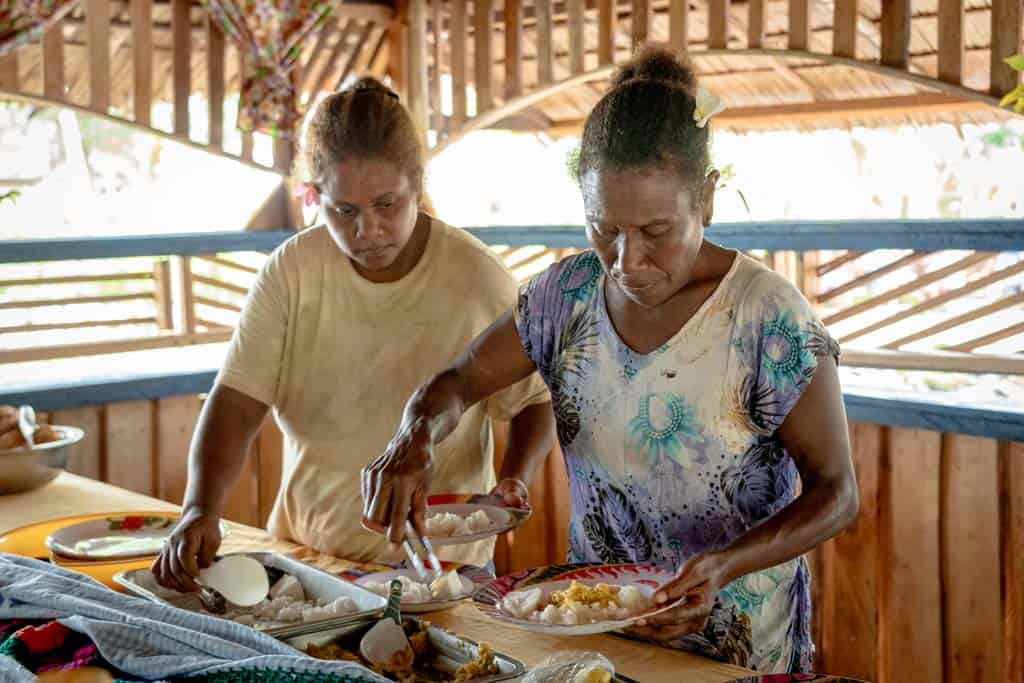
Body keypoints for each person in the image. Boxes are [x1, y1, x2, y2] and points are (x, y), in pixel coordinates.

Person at [361, 49, 859, 673]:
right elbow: (461, 379)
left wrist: (721, 566)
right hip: (596, 635)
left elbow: (837, 494)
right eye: (604, 228)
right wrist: (415, 434)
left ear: (706, 198)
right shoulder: (564, 299)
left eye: (656, 231)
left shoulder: (766, 318)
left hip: (736, 646)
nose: (627, 261)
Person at [153, 77, 554, 592]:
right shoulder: (292, 271)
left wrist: (514, 479)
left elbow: (533, 400)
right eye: (345, 211)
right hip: (310, 559)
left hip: (446, 569)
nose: (368, 230)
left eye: (387, 204)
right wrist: (199, 507)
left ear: (417, 185)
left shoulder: (478, 277)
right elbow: (235, 401)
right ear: (316, 196)